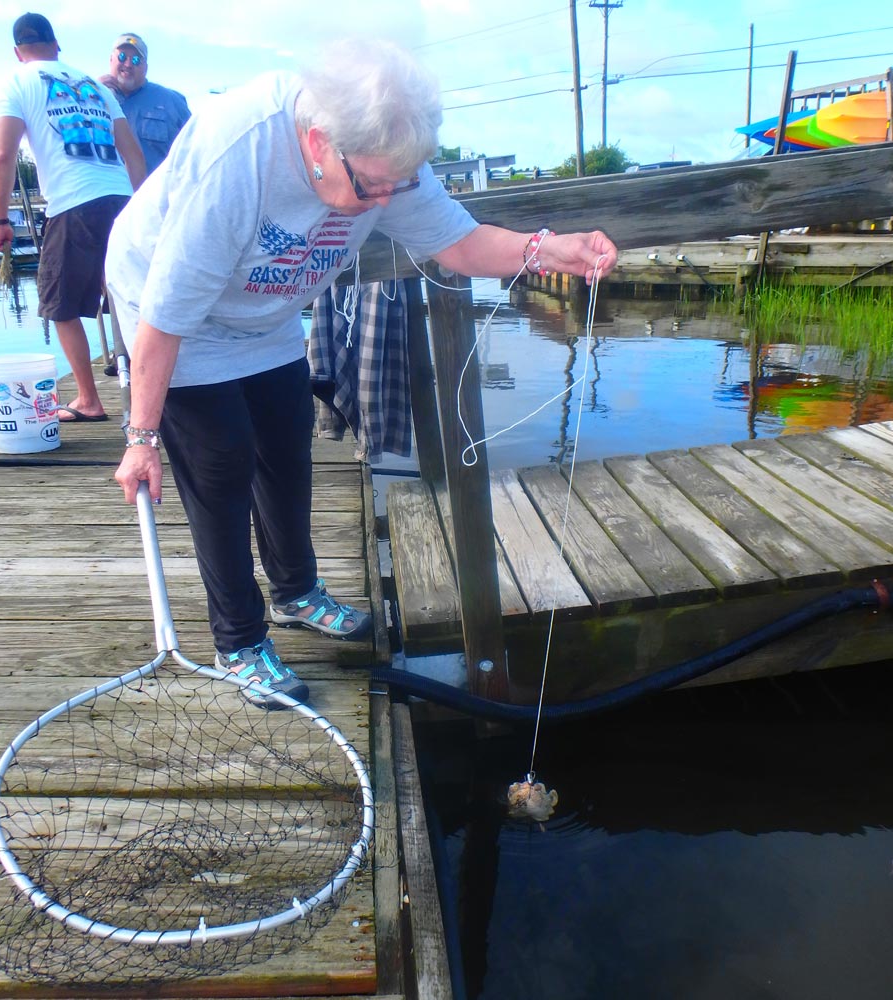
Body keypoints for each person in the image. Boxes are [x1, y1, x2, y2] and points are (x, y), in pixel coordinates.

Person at [105, 38, 617, 708]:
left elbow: (458, 243)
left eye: (395, 186)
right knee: (222, 462)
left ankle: (295, 592)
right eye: (369, 186)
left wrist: (548, 248)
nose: (382, 203)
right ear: (318, 142)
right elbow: (166, 317)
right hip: (175, 313)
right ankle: (238, 641)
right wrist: (141, 438)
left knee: (287, 443)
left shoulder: (387, 155)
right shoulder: (241, 154)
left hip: (266, 315)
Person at [0, 12, 146, 423]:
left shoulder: (18, 81)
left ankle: (90, 401)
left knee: (59, 306)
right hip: (124, 202)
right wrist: (144, 209)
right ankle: (156, 397)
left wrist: (0, 219)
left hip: (74, 203)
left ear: (17, 52)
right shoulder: (94, 84)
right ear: (57, 45)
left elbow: (4, 155)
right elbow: (132, 152)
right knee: (133, 301)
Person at [98, 32, 191, 177]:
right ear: (111, 60)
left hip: (155, 196)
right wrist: (93, 91)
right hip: (106, 195)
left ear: (146, 68)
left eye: (136, 60)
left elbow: (193, 151)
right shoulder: (91, 97)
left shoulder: (172, 101)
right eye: (122, 57)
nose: (128, 64)